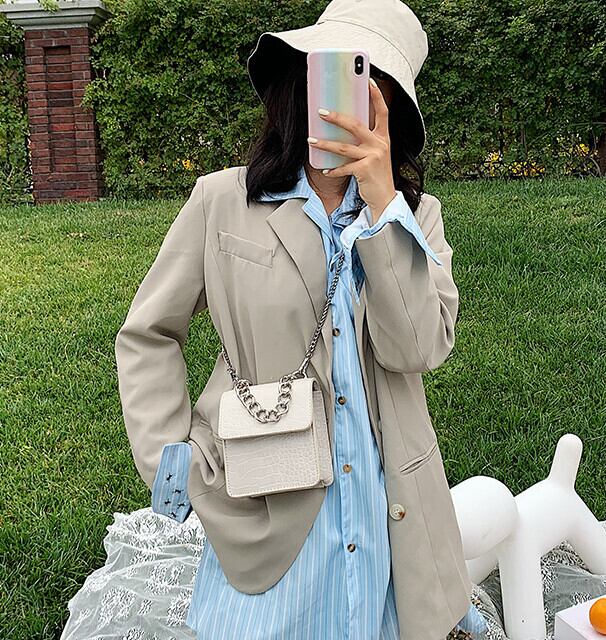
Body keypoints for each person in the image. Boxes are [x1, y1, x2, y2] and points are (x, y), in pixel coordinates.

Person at [115, 0, 489, 638]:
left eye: (371, 84)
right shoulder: (222, 201)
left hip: (385, 505)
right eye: (333, 73)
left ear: (393, 109)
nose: (346, 102)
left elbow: (415, 350)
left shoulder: (416, 219)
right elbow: (148, 333)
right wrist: (168, 456)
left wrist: (382, 208)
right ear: (300, 80)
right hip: (265, 498)